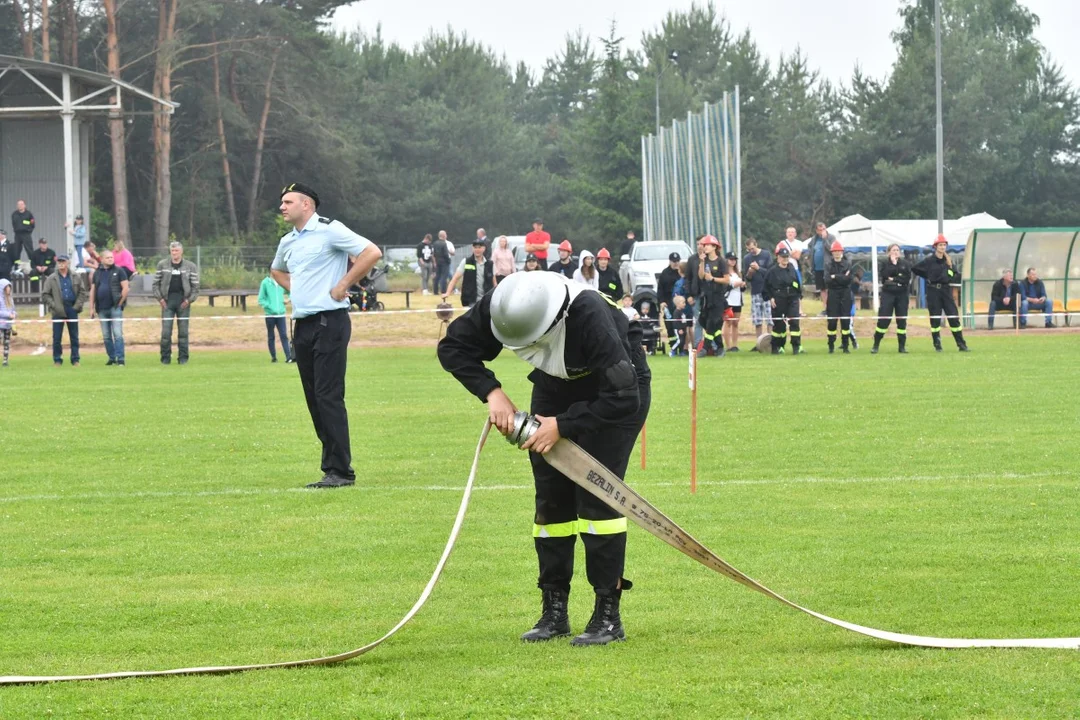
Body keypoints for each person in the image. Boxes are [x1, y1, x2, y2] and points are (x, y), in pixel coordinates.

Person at [437, 270, 651, 646]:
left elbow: (623, 397)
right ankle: (554, 610)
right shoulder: (503, 305)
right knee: (551, 502)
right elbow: (452, 347)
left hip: (614, 391)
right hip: (554, 387)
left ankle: (607, 615)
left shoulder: (587, 315)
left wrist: (563, 425)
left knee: (598, 501)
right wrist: (492, 392)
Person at [271, 182, 382, 489]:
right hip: (303, 325)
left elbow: (371, 252)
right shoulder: (288, 241)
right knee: (314, 397)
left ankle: (341, 471)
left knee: (328, 395)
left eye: (288, 201)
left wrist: (344, 284)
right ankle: (331, 467)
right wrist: (298, 290)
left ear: (306, 205)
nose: (282, 206)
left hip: (330, 322)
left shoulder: (330, 230)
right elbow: (276, 271)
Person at [912, 236, 969, 352]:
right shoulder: (929, 261)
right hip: (933, 291)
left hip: (946, 291)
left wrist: (949, 277)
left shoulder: (948, 261)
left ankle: (961, 344)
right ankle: (937, 345)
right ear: (935, 247)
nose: (942, 247)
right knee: (935, 319)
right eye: (940, 245)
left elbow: (956, 274)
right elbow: (915, 268)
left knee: (953, 317)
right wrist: (928, 276)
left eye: (944, 245)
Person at [152, 241, 200, 365]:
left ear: (181, 251)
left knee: (183, 333)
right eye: (172, 251)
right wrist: (160, 299)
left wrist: (189, 300)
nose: (174, 253)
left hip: (183, 303)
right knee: (166, 333)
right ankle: (165, 359)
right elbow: (155, 284)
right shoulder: (162, 265)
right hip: (167, 302)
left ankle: (183, 359)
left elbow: (195, 287)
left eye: (176, 251)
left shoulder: (191, 266)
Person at [41, 254, 87, 367]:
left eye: (63, 261)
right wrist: (54, 305)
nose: (61, 263)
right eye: (59, 261)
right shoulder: (51, 278)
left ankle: (75, 359)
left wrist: (76, 306)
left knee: (74, 336)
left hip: (72, 308)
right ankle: (57, 359)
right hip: (58, 310)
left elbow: (82, 292)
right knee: (57, 337)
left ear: (68, 262)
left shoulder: (76, 276)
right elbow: (45, 294)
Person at [89, 249, 129, 366]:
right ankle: (112, 357)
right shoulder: (97, 272)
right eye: (108, 258)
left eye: (112, 257)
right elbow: (93, 290)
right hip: (101, 308)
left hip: (115, 307)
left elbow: (126, 288)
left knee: (117, 334)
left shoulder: (119, 271)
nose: (111, 259)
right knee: (106, 336)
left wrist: (120, 302)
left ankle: (120, 359)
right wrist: (91, 308)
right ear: (101, 259)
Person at [872, 243, 912, 353]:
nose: (896, 252)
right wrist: (894, 265)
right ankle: (876, 345)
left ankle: (902, 347)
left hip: (902, 294)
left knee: (902, 321)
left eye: (897, 250)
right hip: (888, 294)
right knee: (884, 320)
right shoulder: (884, 263)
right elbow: (884, 276)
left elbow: (906, 278)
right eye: (893, 250)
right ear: (889, 252)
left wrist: (893, 279)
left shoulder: (905, 264)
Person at [763, 245, 803, 355]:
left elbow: (797, 284)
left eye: (786, 257)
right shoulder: (772, 271)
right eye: (783, 257)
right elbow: (766, 287)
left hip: (792, 298)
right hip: (779, 299)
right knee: (779, 324)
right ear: (778, 258)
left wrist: (799, 295)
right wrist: (771, 298)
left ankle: (796, 346)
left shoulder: (792, 269)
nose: (785, 259)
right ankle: (778, 346)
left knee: (794, 322)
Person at [697, 235, 729, 357]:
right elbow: (700, 276)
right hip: (706, 297)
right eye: (703, 245)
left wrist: (713, 278)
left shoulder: (721, 261)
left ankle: (705, 348)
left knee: (712, 322)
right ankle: (720, 347)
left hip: (718, 297)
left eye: (707, 245)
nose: (704, 247)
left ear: (714, 247)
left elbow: (726, 280)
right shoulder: (704, 260)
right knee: (703, 321)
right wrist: (701, 262)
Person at [824, 240, 855, 354]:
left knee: (845, 321)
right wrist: (841, 277)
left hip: (845, 294)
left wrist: (835, 277)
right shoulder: (828, 265)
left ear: (842, 252)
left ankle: (845, 345)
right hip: (833, 294)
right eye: (835, 251)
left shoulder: (848, 264)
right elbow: (827, 280)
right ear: (832, 253)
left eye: (839, 251)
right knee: (832, 321)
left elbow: (849, 280)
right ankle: (831, 344)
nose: (837, 253)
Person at [258, 264, 293, 363]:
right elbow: (261, 299)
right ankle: (273, 357)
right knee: (271, 336)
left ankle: (288, 356)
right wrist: (269, 306)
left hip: (281, 314)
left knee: (283, 335)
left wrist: (288, 300)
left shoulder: (281, 282)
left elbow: (290, 291)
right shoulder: (265, 283)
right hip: (270, 315)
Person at [445, 239, 494, 307]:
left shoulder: (490, 264)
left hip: (486, 300)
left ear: (484, 248)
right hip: (471, 300)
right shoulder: (466, 262)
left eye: (479, 247)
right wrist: (447, 293)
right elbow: (455, 279)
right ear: (472, 248)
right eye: (475, 247)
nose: (477, 249)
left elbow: (494, 282)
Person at [742, 237, 772, 349]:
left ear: (756, 245)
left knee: (770, 319)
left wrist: (758, 268)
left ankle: (770, 342)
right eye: (749, 249)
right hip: (755, 291)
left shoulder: (766, 255)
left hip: (767, 291)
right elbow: (747, 278)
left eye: (753, 248)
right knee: (757, 320)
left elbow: (770, 273)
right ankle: (759, 343)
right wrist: (750, 273)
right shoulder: (747, 258)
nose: (751, 251)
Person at [657, 252, 680, 349]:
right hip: (667, 302)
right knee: (669, 324)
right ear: (670, 261)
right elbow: (660, 289)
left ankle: (682, 345)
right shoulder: (664, 273)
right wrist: (661, 302)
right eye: (673, 261)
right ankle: (673, 344)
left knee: (680, 324)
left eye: (677, 261)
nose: (675, 263)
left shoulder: (681, 272)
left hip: (680, 302)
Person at [724, 252, 744, 352]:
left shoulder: (738, 273)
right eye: (731, 259)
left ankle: (735, 345)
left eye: (734, 259)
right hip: (728, 300)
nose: (733, 261)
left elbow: (741, 288)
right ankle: (727, 345)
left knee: (735, 323)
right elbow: (725, 286)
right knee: (728, 322)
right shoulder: (724, 273)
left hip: (737, 300)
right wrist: (734, 285)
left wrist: (742, 285)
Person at [810, 222, 835, 308]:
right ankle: (825, 307)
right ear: (817, 231)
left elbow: (832, 249)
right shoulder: (814, 239)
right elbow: (810, 247)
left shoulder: (831, 237)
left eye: (823, 229)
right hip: (817, 268)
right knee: (822, 288)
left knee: (829, 288)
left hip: (828, 267)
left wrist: (825, 239)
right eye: (820, 230)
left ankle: (831, 307)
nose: (822, 231)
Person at [433, 231, 452, 295]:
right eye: (446, 234)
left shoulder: (435, 243)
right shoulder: (444, 244)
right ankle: (443, 291)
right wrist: (449, 260)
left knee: (437, 276)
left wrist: (435, 261)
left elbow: (434, 253)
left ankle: (435, 291)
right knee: (444, 276)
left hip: (438, 261)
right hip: (444, 262)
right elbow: (446, 254)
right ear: (443, 236)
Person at [0, 277, 14, 366]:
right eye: (7, 288)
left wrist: (14, 314)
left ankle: (5, 360)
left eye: (9, 288)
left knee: (7, 343)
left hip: (8, 325)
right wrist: (8, 315)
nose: (8, 290)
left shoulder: (10, 299)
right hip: (1, 325)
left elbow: (13, 310)